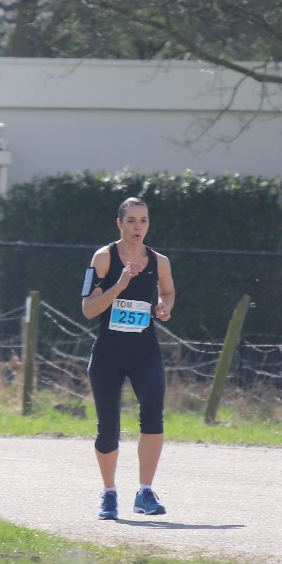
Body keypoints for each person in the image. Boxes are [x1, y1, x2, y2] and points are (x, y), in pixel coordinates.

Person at [82, 196, 176, 519]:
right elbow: (88, 309)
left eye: (144, 220)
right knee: (108, 428)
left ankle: (145, 492)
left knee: (153, 416)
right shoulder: (103, 258)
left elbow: (168, 291)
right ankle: (109, 493)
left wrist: (164, 306)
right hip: (108, 353)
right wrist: (119, 285)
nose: (138, 227)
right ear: (119, 224)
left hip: (145, 351)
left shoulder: (159, 261)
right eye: (132, 221)